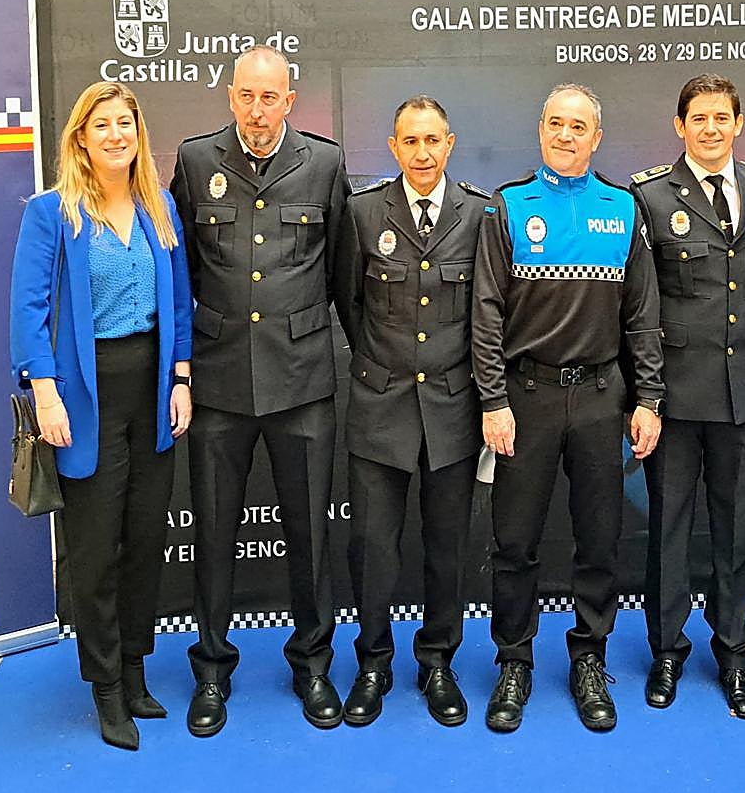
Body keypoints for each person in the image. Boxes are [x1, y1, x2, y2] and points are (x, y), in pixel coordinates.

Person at [170, 44, 351, 736]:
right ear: (231, 96)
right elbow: (179, 270)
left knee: (310, 533)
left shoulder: (325, 163)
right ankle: (212, 670)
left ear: (289, 100)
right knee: (214, 533)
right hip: (218, 379)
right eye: (246, 96)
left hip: (303, 380)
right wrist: (180, 369)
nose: (256, 111)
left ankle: (312, 664)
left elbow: (343, 276)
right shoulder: (194, 160)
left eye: (269, 97)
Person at [473, 83, 664, 732]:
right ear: (540, 131)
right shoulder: (507, 207)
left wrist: (650, 399)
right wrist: (492, 400)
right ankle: (514, 661)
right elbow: (486, 316)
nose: (565, 134)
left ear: (597, 137)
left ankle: (589, 656)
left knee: (599, 541)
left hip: (601, 400)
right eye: (555, 123)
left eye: (578, 125)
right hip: (523, 400)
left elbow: (642, 315)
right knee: (516, 542)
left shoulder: (623, 207)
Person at [10, 81, 193, 750]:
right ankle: (105, 686)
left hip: (152, 390)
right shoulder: (52, 212)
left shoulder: (157, 204)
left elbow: (179, 302)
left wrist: (181, 378)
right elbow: (29, 310)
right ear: (81, 136)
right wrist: (46, 391)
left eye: (127, 122)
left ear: (138, 133)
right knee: (93, 550)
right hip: (84, 396)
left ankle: (136, 670)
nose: (117, 133)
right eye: (103, 124)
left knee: (145, 538)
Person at [331, 95, 489, 728]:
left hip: (453, 407)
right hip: (379, 403)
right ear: (393, 148)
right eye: (409, 142)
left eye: (433, 141)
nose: (422, 153)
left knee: (446, 546)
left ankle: (438, 662)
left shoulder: (480, 213)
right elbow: (347, 299)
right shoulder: (364, 212)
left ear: (449, 144)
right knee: (372, 546)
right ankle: (373, 663)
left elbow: (487, 310)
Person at [629, 73, 745, 718]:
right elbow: (640, 306)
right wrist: (648, 396)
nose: (711, 128)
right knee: (668, 531)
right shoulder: (650, 197)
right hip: (673, 398)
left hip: (743, 397)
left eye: (723, 117)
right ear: (680, 126)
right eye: (699, 118)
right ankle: (666, 652)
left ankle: (735, 657)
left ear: (738, 123)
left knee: (735, 534)